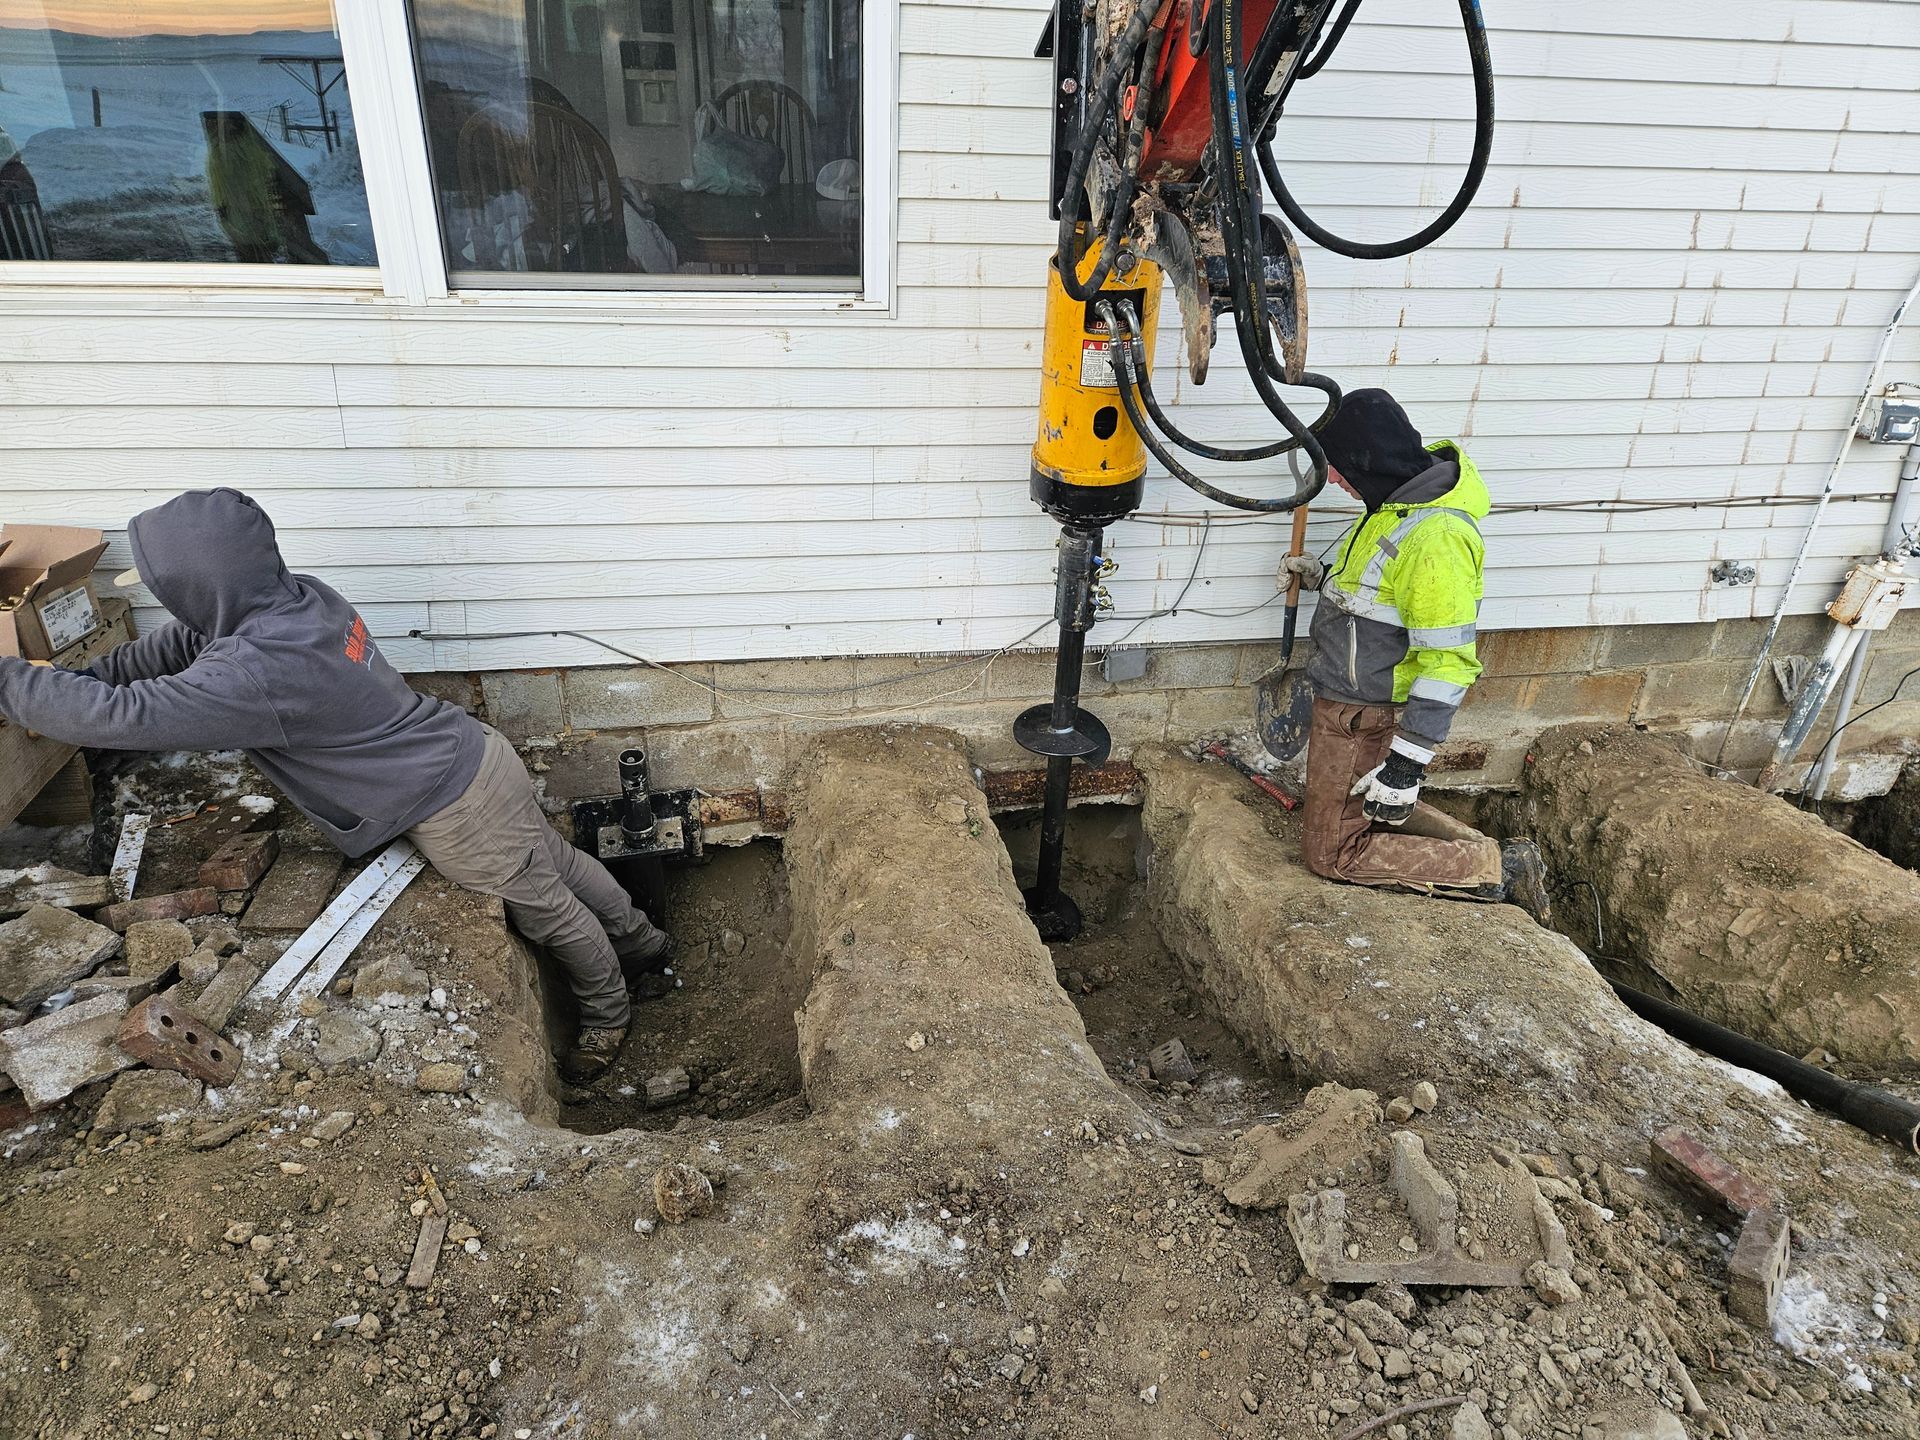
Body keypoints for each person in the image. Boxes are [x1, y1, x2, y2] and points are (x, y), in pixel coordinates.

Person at [0, 489, 666, 1082]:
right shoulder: (296, 597)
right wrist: (94, 675)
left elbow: (124, 718)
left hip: (458, 808)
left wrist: (12, 681)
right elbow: (178, 646)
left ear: (204, 584)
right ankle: (643, 946)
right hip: (473, 756)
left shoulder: (256, 672)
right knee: (557, 863)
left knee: (544, 907)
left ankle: (610, 1013)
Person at [1280, 389, 1549, 918]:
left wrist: (1406, 765)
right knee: (1353, 807)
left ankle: (1495, 869)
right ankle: (1492, 853)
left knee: (1332, 852)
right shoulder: (1396, 505)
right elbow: (1384, 596)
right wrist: (1323, 579)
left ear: (1365, 458)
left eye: (1335, 468)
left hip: (1363, 714)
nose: (1331, 480)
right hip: (1348, 701)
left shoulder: (1438, 538)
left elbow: (1449, 662)